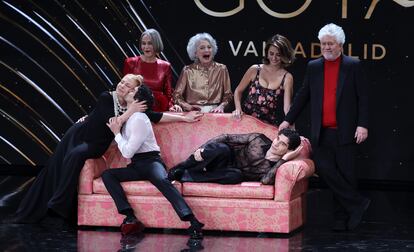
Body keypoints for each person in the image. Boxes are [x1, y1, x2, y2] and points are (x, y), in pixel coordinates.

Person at [13, 74, 203, 224]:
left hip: (94, 144)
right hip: (79, 135)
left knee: (76, 155)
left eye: (127, 85)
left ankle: (59, 207)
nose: (122, 86)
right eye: (121, 82)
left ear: (133, 92)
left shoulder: (132, 107)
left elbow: (156, 116)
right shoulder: (106, 97)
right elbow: (113, 122)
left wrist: (184, 118)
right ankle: (47, 207)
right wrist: (132, 110)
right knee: (57, 165)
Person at [279, 23, 370, 231]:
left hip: (346, 130)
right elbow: (303, 96)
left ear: (340, 45)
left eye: (330, 43)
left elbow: (363, 97)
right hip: (322, 132)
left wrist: (362, 124)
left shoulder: (352, 65)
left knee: (345, 174)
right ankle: (357, 204)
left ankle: (344, 218)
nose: (326, 47)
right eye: (323, 44)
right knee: (326, 170)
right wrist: (288, 118)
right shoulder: (314, 67)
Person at [102, 84, 204, 239]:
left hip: (151, 162)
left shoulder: (139, 119)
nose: (129, 91)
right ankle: (130, 217)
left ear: (139, 100)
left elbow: (127, 151)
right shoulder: (129, 116)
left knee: (163, 181)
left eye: (133, 91)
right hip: (137, 164)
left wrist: (116, 133)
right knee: (108, 175)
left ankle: (193, 222)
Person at [167, 128, 302, 185]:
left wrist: (284, 159)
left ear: (288, 150)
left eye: (282, 144)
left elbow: (265, 181)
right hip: (221, 160)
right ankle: (178, 169)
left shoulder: (279, 165)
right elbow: (226, 137)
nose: (276, 143)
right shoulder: (258, 139)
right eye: (277, 138)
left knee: (236, 175)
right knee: (222, 148)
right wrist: (200, 150)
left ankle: (186, 176)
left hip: (228, 174)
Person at [233, 34, 295, 126]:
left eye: (278, 55)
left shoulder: (287, 77)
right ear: (267, 53)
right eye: (271, 53)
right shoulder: (255, 69)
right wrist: (238, 109)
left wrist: (292, 131)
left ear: (284, 55)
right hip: (246, 122)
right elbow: (238, 91)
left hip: (268, 126)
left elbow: (287, 109)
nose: (274, 58)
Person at [170, 32, 233, 113]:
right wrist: (187, 106)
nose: (206, 50)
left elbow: (228, 95)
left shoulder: (222, 69)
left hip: (215, 113)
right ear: (195, 53)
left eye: (209, 47)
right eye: (202, 48)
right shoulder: (187, 70)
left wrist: (221, 106)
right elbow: (177, 95)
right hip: (192, 113)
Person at [123, 29, 173, 112]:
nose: (146, 47)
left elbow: (168, 93)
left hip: (159, 108)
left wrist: (171, 106)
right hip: (136, 107)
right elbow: (125, 88)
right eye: (143, 43)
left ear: (156, 44)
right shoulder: (130, 62)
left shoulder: (165, 66)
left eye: (150, 43)